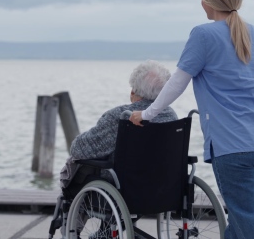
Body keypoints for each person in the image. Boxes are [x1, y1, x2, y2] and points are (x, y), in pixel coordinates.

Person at [130, 0, 254, 239]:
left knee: (253, 227)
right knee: (241, 223)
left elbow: (177, 82)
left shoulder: (203, 35)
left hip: (234, 146)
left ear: (207, 0)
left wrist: (147, 114)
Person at [60, 60, 178, 189]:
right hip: (163, 189)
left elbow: (78, 150)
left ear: (134, 90)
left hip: (124, 189)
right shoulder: (171, 115)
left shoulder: (121, 116)